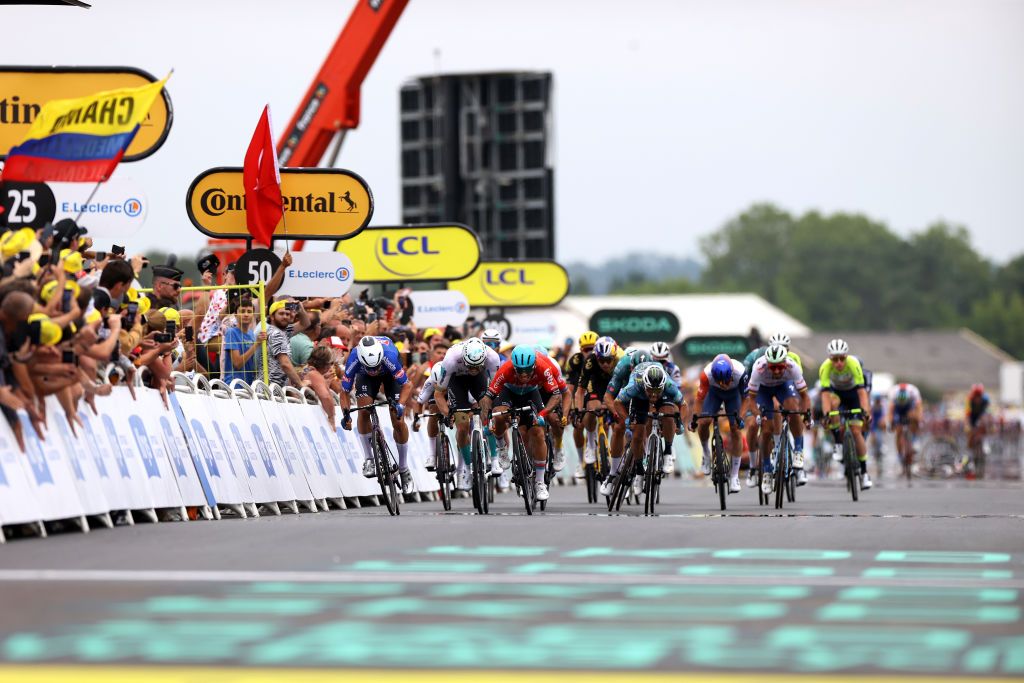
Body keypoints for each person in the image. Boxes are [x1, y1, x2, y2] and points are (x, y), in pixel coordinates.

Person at [480, 345, 564, 503]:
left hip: (531, 394)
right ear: (514, 367)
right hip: (508, 392)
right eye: (520, 371)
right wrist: (486, 421)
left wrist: (542, 414)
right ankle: (501, 447)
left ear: (534, 366)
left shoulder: (543, 367)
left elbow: (556, 396)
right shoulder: (506, 369)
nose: (524, 375)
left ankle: (540, 482)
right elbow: (487, 398)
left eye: (528, 371)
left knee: (538, 432)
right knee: (499, 416)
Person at [340, 336, 415, 494]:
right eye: (370, 368)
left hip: (390, 375)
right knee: (364, 410)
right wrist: (346, 414)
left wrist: (400, 405)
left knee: (398, 421)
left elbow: (407, 385)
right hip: (364, 378)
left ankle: (404, 468)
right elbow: (344, 391)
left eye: (376, 368)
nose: (374, 372)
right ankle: (369, 459)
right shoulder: (354, 358)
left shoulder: (390, 356)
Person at [743, 343, 812, 494]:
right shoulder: (758, 368)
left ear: (785, 363)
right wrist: (757, 415)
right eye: (773, 367)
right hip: (764, 390)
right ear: (767, 364)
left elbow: (805, 396)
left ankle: (798, 451)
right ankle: (767, 471)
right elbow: (751, 400)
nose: (777, 371)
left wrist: (807, 415)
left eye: (780, 367)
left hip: (783, 386)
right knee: (767, 429)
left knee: (793, 409)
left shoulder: (792, 366)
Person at [433, 337, 501, 489]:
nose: (473, 370)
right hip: (457, 381)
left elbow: (497, 389)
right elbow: (438, 394)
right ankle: (469, 470)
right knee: (462, 427)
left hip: (480, 380)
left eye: (476, 366)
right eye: (470, 366)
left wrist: (492, 410)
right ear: (463, 359)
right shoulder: (450, 360)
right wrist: (448, 413)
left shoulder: (492, 357)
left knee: (488, 410)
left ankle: (495, 459)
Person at [610, 363, 686, 495]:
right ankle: (639, 472)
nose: (653, 395)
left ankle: (668, 450)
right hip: (640, 398)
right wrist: (628, 419)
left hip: (663, 396)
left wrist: (680, 423)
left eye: (657, 392)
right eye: (650, 391)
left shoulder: (668, 385)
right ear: (645, 385)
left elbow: (683, 405)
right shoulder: (635, 385)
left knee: (669, 414)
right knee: (638, 435)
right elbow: (617, 403)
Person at [819, 338, 872, 489]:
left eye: (842, 358)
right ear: (830, 359)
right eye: (835, 359)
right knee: (833, 406)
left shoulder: (854, 364)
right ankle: (837, 442)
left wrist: (865, 412)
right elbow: (825, 395)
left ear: (846, 356)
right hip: (837, 395)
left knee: (856, 431)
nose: (839, 363)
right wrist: (826, 414)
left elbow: (862, 392)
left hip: (853, 395)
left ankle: (864, 472)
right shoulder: (825, 367)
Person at [691, 354, 746, 493]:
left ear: (732, 373)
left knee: (735, 429)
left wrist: (741, 417)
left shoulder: (740, 372)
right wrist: (694, 419)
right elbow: (699, 400)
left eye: (726, 381)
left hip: (733, 396)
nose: (723, 385)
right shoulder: (706, 375)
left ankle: (734, 476)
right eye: (719, 381)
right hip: (714, 395)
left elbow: (747, 399)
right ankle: (706, 454)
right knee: (704, 422)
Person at [262, 300, 306, 388]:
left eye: (287, 314)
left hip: (276, 388)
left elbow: (305, 323)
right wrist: (300, 384)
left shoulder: (283, 331)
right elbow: (285, 364)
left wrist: (300, 309)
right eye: (281, 314)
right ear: (272, 317)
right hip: (270, 389)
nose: (285, 316)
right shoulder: (276, 333)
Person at [222, 297, 266, 386]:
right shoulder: (231, 332)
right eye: (242, 311)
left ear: (253, 315)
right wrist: (257, 344)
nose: (246, 314)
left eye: (249, 312)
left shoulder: (251, 334)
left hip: (249, 385)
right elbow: (237, 363)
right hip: (234, 385)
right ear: (235, 315)